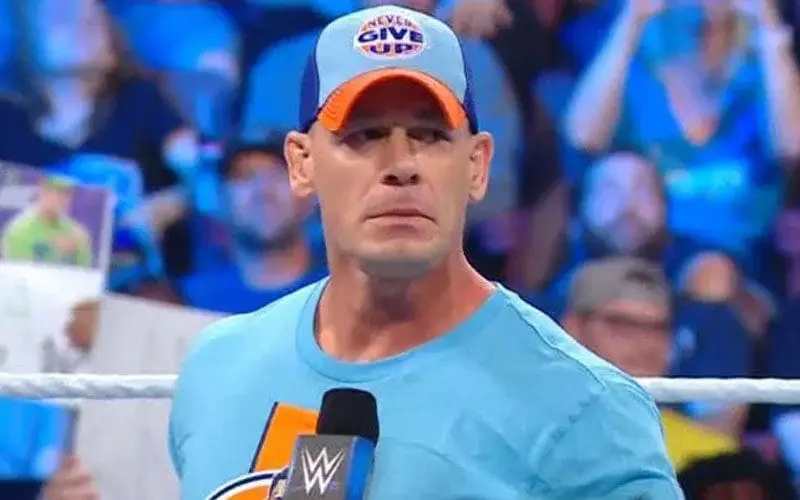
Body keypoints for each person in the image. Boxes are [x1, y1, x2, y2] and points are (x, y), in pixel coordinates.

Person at [169, 5, 681, 499]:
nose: (401, 165)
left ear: (477, 165)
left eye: (430, 136)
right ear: (301, 164)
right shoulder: (218, 369)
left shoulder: (586, 413)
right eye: (365, 135)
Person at [179, 132, 327, 314]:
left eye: (280, 174)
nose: (263, 192)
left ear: (311, 196)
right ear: (220, 199)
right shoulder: (188, 304)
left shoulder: (348, 293)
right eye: (245, 177)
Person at [1, 177, 93, 268]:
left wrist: (76, 252)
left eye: (65, 193)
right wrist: (55, 250)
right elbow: (20, 272)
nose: (58, 199)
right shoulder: (19, 230)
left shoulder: (77, 233)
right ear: (41, 191)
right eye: (51, 191)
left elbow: (85, 271)